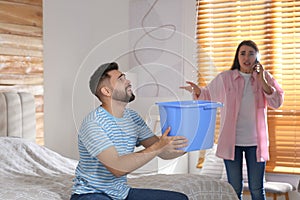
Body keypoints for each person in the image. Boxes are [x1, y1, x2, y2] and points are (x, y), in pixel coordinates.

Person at [180, 40, 284, 200]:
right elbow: (208, 95)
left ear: (257, 57)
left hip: (255, 143)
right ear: (237, 56)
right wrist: (198, 91)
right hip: (232, 142)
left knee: (257, 189)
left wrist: (262, 78)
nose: (246, 57)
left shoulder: (265, 77)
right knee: (234, 189)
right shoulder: (226, 77)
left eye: (251, 53)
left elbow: (276, 102)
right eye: (243, 53)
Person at [71, 62, 189, 200]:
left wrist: (191, 141)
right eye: (121, 79)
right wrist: (159, 146)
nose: (128, 81)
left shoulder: (132, 117)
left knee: (180, 199)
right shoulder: (93, 123)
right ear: (106, 91)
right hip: (91, 194)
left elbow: (164, 151)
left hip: (121, 193)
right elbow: (117, 168)